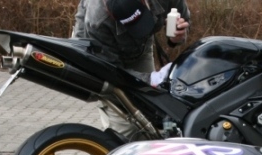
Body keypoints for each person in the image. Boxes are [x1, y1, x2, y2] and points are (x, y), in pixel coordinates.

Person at [72, 0, 191, 139]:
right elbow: (110, 72)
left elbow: (185, 20)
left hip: (140, 48)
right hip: (102, 54)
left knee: (151, 105)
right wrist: (151, 79)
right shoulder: (97, 20)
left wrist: (177, 37)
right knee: (125, 129)